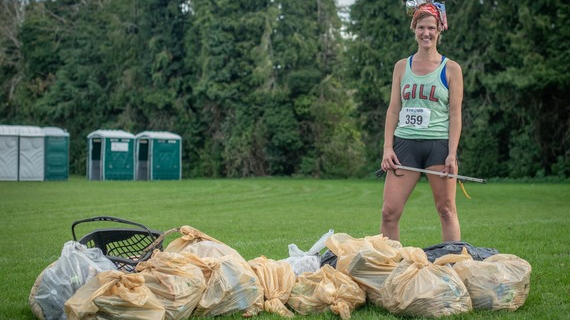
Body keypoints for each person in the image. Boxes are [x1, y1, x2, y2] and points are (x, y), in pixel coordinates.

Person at [380, 2, 464, 242]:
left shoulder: (452, 69)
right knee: (389, 213)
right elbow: (393, 110)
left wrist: (452, 153)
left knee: (446, 211)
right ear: (414, 28)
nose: (426, 33)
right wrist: (388, 148)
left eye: (431, 28)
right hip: (404, 147)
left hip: (438, 146)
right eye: (421, 27)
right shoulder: (400, 67)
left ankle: (452, 268)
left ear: (439, 30)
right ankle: (390, 269)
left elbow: (456, 114)